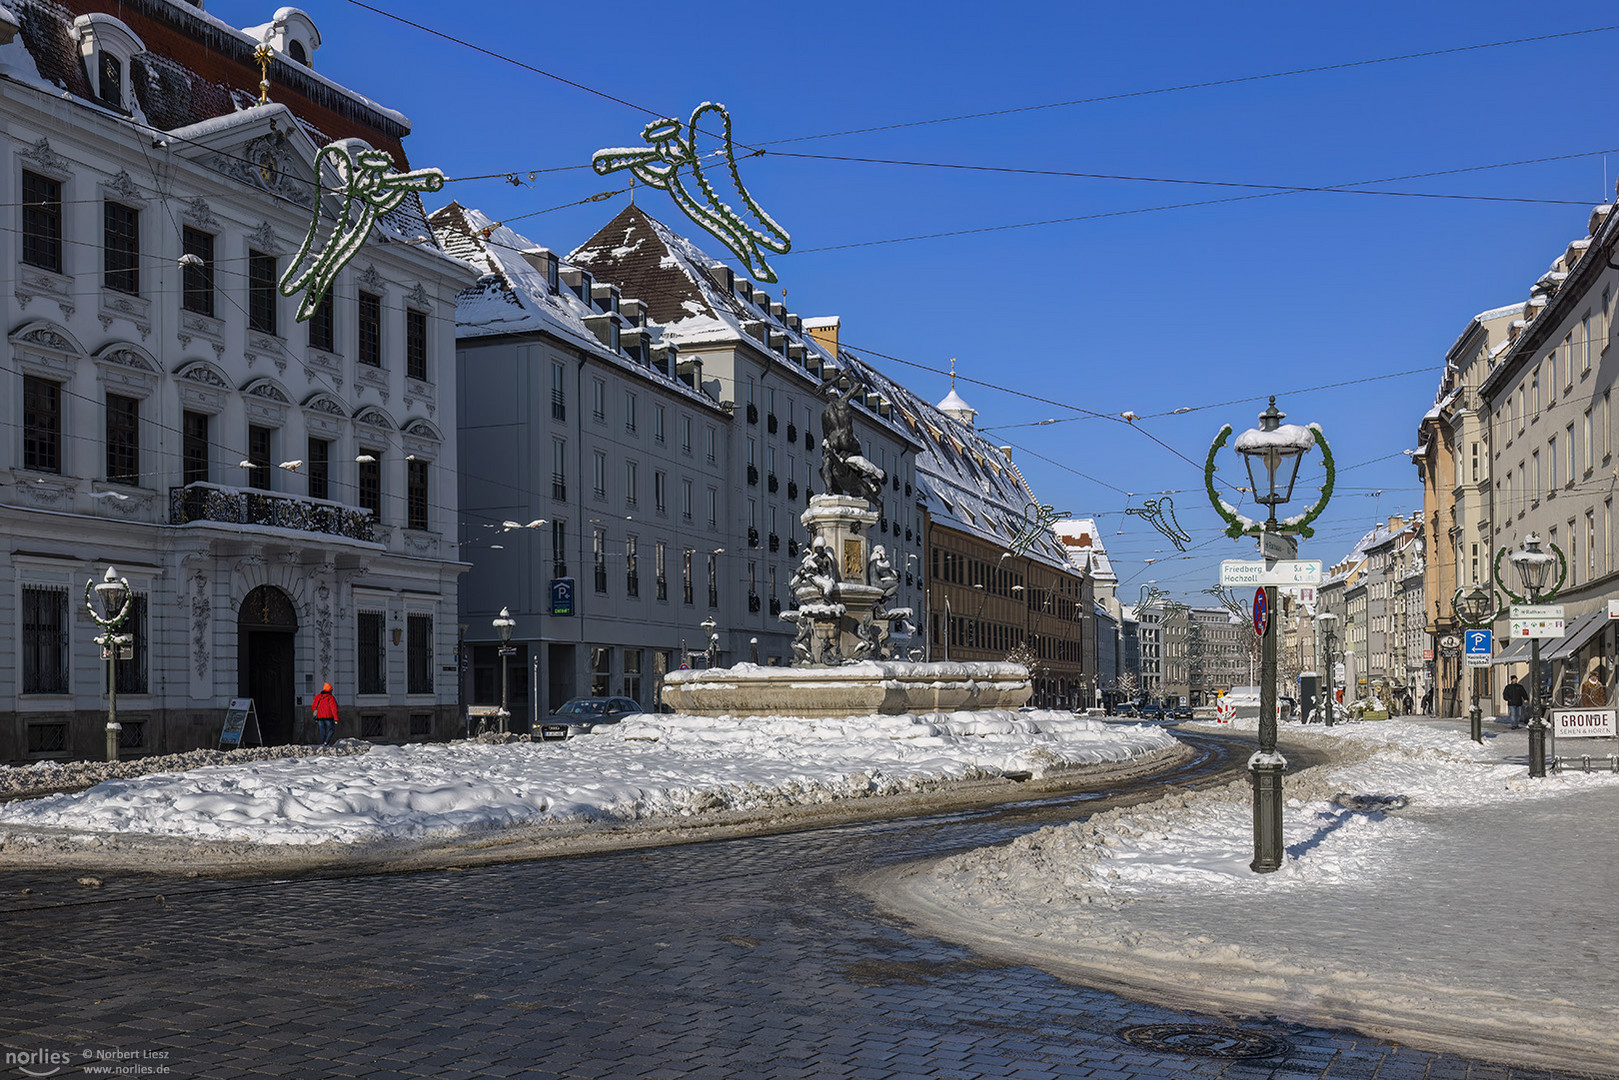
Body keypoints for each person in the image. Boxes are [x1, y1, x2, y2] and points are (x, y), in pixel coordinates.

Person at [312, 682, 340, 746]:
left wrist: (316, 716)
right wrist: (336, 719)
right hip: (328, 718)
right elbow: (334, 708)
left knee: (322, 732)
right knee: (331, 730)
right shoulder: (330, 697)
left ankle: (323, 744)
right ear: (329, 690)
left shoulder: (317, 697)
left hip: (320, 718)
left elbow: (314, 706)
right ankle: (326, 742)